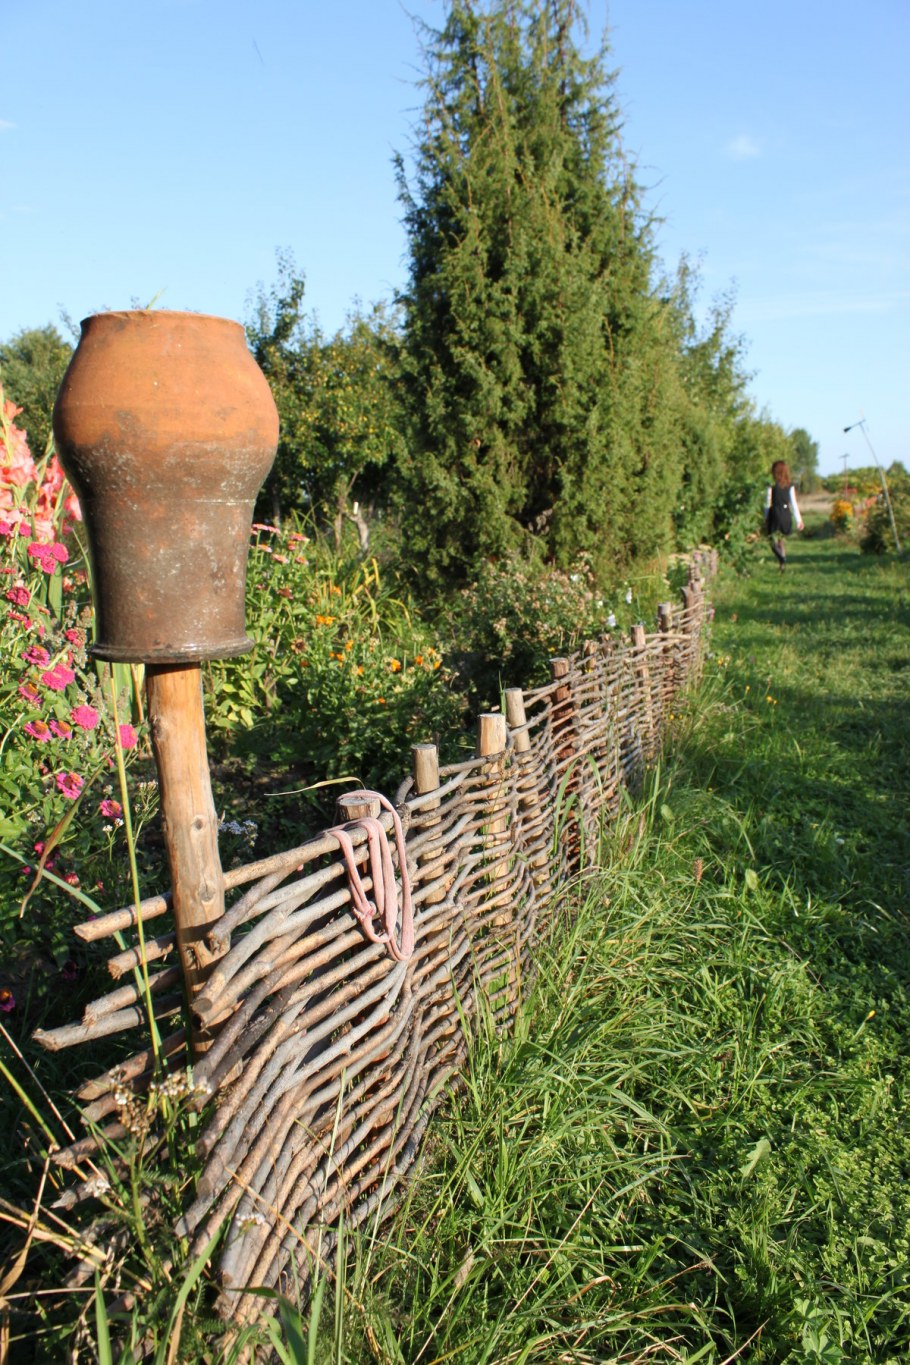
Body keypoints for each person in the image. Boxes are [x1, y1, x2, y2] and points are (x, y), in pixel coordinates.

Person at [764, 460, 804, 570]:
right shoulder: (790, 486)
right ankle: (782, 564)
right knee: (781, 540)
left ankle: (781, 557)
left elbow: (767, 502)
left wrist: (766, 517)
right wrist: (799, 520)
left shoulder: (771, 486)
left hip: (775, 513)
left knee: (772, 540)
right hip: (786, 514)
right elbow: (793, 503)